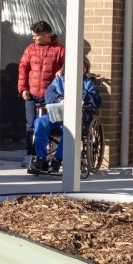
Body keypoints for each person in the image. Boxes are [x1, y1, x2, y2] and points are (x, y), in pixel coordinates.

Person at [29, 58, 101, 173]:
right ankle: (41, 159)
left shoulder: (88, 84)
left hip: (77, 119)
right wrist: (60, 99)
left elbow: (96, 101)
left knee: (70, 128)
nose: (78, 70)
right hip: (56, 117)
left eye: (82, 67)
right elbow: (49, 94)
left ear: (85, 69)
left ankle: (57, 160)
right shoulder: (59, 81)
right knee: (40, 122)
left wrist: (80, 92)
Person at [17, 19, 65, 161]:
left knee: (49, 125)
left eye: (35, 35)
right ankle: (30, 154)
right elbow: (23, 69)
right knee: (31, 125)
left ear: (46, 35)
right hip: (31, 93)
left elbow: (70, 64)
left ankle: (44, 155)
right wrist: (23, 89)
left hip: (50, 96)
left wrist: (62, 69)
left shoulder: (59, 49)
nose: (33, 38)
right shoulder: (30, 49)